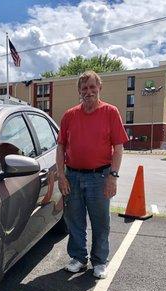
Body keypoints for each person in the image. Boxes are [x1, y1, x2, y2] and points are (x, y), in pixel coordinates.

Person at [56, 71, 128, 279]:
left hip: (100, 177)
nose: (88, 92)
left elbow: (118, 147)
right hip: (73, 177)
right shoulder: (69, 115)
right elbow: (61, 147)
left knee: (100, 222)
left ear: (99, 88)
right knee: (75, 220)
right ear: (79, 91)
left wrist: (113, 177)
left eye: (91, 87)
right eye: (84, 88)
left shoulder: (110, 112)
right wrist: (61, 175)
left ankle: (99, 261)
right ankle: (78, 258)